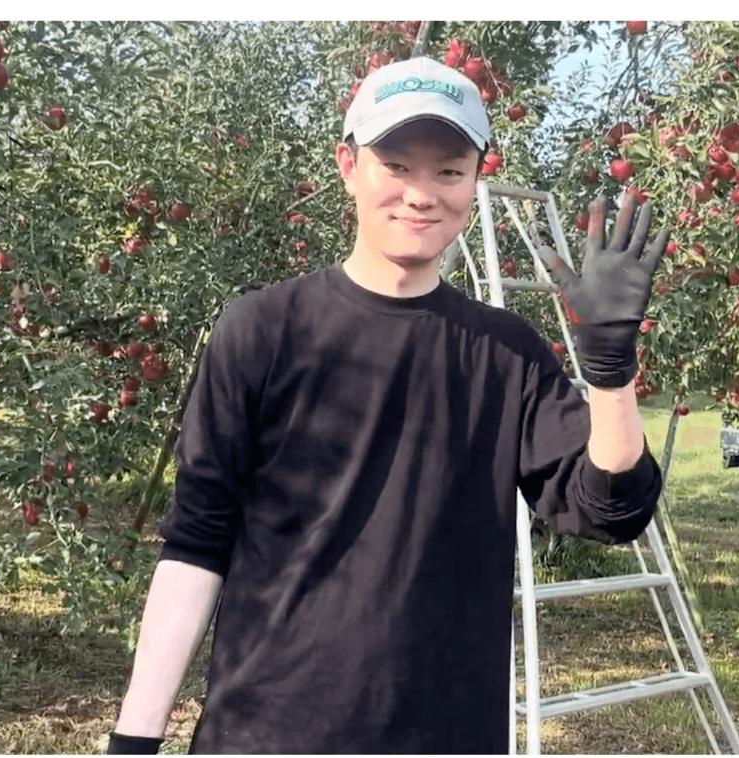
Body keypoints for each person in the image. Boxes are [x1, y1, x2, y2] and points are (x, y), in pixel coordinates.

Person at [107, 55, 669, 755]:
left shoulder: (506, 353)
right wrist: (134, 739)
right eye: (397, 165)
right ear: (348, 165)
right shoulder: (262, 330)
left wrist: (610, 373)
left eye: (448, 171)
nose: (421, 194)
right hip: (266, 733)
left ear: (475, 181)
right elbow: (196, 544)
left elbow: (610, 509)